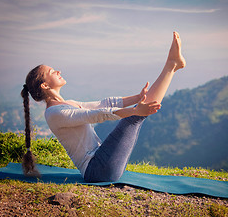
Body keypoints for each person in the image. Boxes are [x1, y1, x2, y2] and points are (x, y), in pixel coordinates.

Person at [21, 32, 186, 182]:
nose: (58, 71)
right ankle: (171, 66)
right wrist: (135, 110)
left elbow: (103, 104)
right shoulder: (54, 113)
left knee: (135, 115)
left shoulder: (66, 104)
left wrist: (137, 97)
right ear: (44, 86)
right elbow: (97, 115)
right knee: (133, 118)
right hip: (97, 170)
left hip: (101, 163)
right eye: (51, 72)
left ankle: (172, 65)